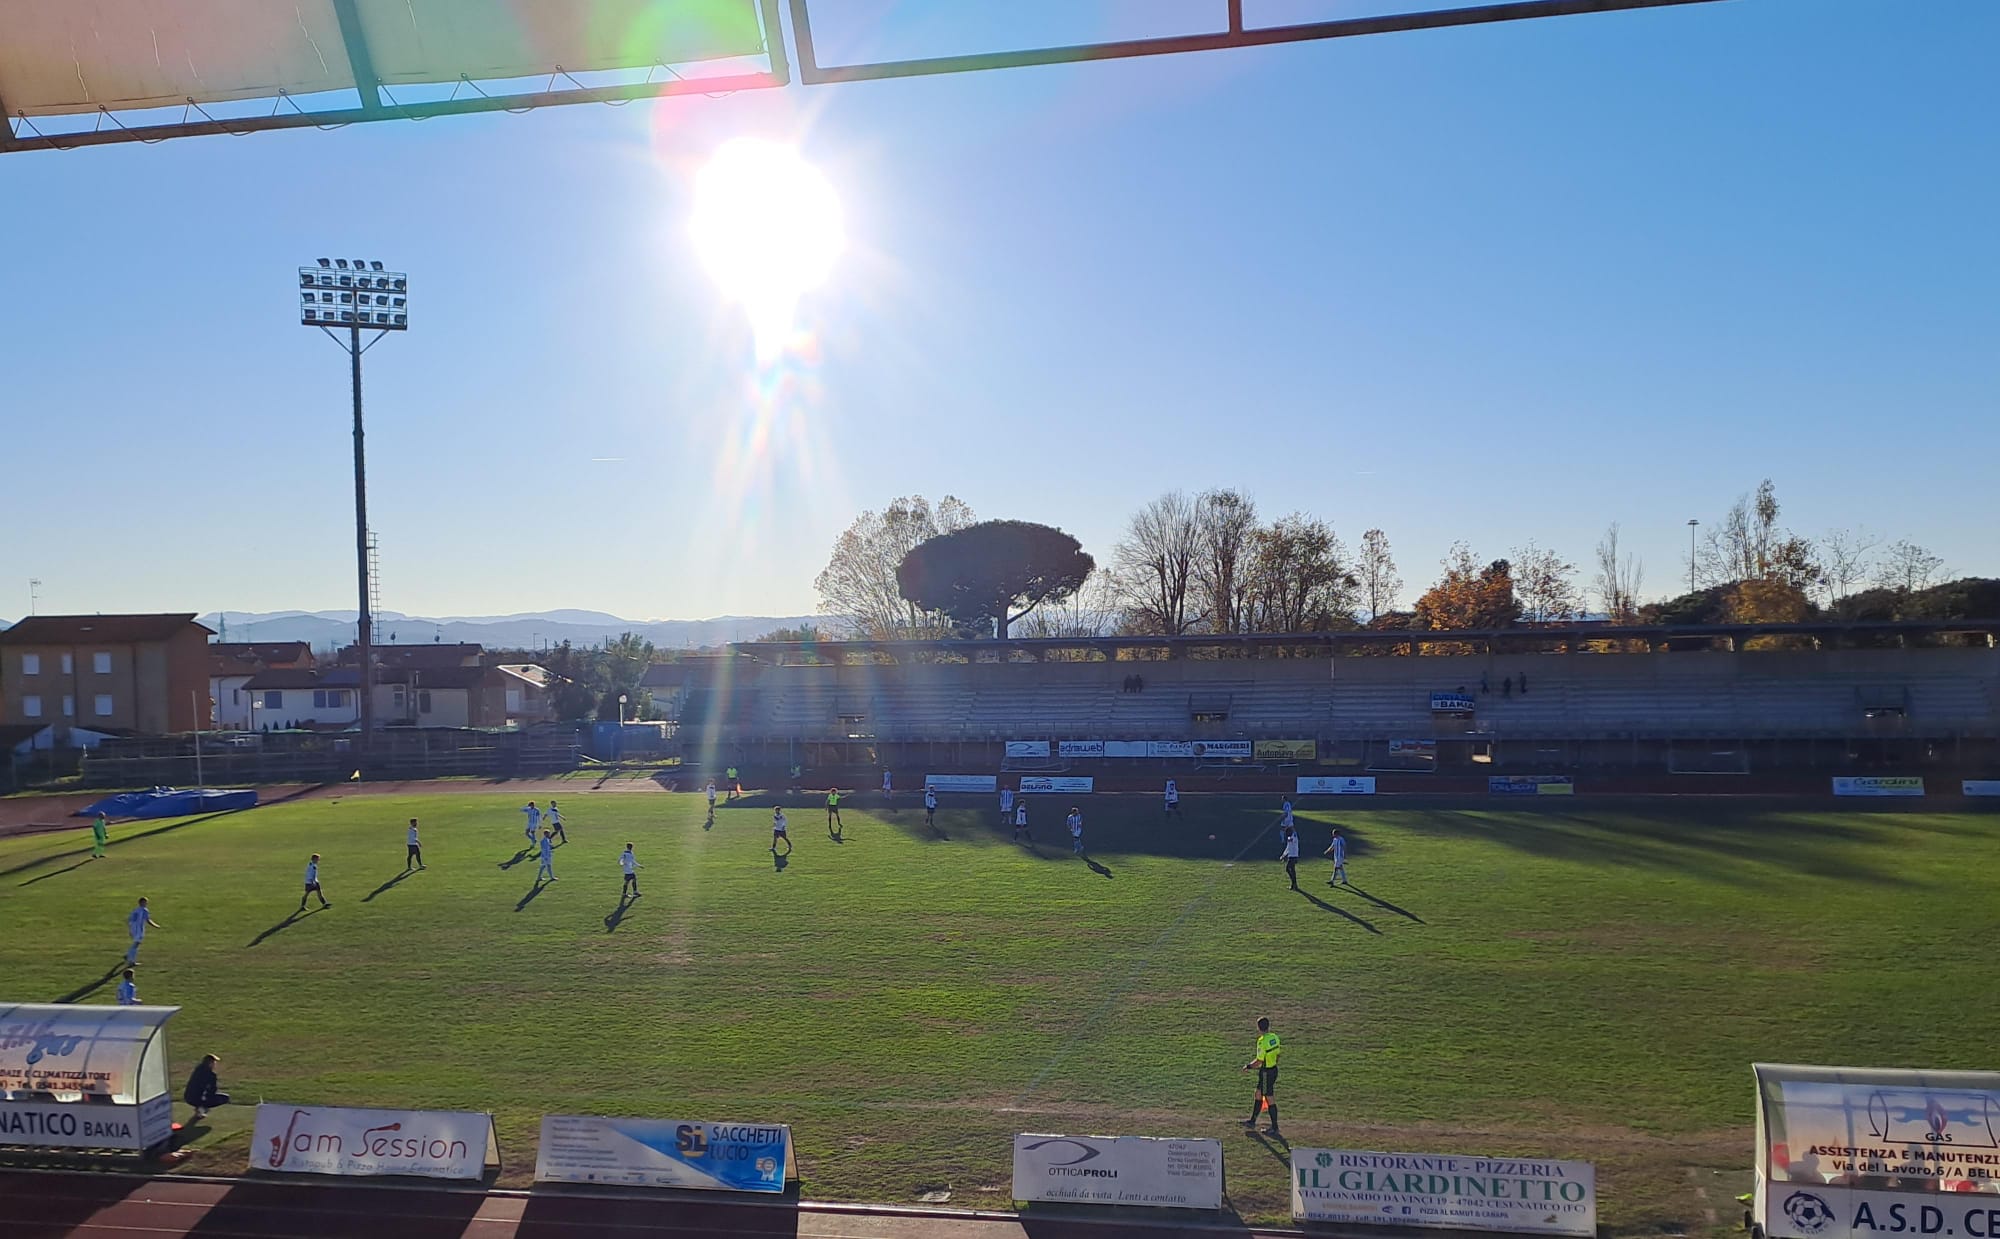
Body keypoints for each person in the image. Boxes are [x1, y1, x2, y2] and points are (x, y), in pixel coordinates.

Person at [1241, 1017, 1283, 1138]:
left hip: (1266, 1073)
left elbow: (1259, 1061)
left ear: (1259, 1027)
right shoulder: (1275, 1037)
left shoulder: (1262, 1041)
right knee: (1258, 1093)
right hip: (1273, 1069)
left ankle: (1274, 1127)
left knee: (1269, 1098)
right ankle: (1252, 1121)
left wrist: (1248, 1066)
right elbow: (1278, 1054)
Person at [183, 1054, 229, 1121]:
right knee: (225, 1098)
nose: (215, 1064)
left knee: (200, 1094)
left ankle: (199, 1107)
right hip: (197, 1098)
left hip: (187, 1097)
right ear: (210, 1063)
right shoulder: (211, 1075)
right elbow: (212, 1090)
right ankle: (202, 1107)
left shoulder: (197, 1070)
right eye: (214, 1062)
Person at [126, 897, 160, 964]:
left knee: (136, 944)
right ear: (141, 902)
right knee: (136, 944)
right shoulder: (144, 910)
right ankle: (131, 960)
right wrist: (156, 926)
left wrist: (130, 929)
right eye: (146, 902)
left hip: (133, 928)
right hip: (139, 929)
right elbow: (148, 920)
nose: (147, 903)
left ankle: (128, 955)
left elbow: (130, 920)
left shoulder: (135, 910)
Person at [1280, 824, 1300, 891]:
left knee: (1288, 869)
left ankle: (1294, 884)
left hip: (1293, 856)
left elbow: (1291, 840)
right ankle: (1294, 885)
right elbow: (1288, 847)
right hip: (1291, 856)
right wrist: (1283, 855)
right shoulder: (1290, 838)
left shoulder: (1294, 837)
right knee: (1292, 870)